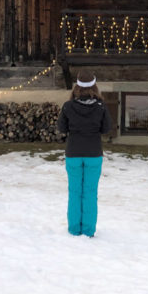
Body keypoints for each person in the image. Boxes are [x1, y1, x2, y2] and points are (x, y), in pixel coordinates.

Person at [57, 69, 112, 237]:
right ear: (94, 86)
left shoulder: (68, 106)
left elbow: (61, 128)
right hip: (94, 154)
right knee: (90, 192)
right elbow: (106, 128)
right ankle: (88, 230)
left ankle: (74, 229)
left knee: (74, 192)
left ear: (77, 86)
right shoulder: (101, 107)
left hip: (73, 153)